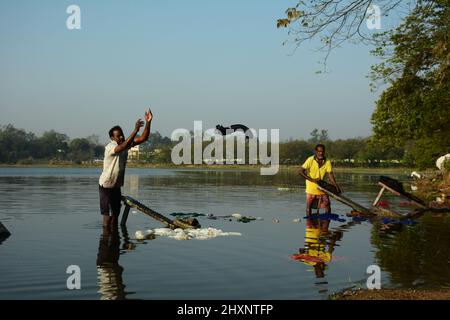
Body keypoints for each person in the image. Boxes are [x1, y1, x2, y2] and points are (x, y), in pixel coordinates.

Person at [99, 109, 153, 227]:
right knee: (107, 217)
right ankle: (105, 240)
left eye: (122, 134)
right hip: (106, 186)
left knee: (116, 215)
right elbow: (121, 147)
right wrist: (135, 130)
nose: (122, 137)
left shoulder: (125, 145)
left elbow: (143, 138)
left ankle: (115, 241)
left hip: (116, 186)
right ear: (112, 138)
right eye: (118, 136)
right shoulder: (110, 147)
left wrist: (148, 122)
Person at [299, 144, 342, 215]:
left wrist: (336, 185)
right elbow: (301, 171)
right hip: (311, 188)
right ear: (316, 151)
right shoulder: (310, 160)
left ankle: (327, 220)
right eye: (319, 151)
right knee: (309, 206)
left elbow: (330, 174)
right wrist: (312, 180)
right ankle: (309, 222)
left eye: (322, 151)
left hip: (322, 188)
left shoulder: (327, 161)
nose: (321, 153)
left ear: (324, 151)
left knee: (327, 204)